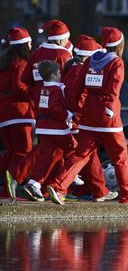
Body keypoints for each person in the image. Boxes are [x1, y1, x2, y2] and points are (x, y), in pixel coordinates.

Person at [47, 27, 128, 205]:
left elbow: (76, 88)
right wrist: (109, 109)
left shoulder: (90, 61)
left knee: (80, 155)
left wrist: (72, 109)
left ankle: (58, 187)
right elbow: (114, 89)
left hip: (89, 115)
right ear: (120, 44)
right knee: (120, 157)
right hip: (108, 118)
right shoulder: (117, 63)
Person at [58, 35, 114, 202]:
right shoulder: (78, 71)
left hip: (73, 118)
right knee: (86, 156)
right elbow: (80, 96)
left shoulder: (72, 68)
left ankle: (93, 190)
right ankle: (60, 187)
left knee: (86, 156)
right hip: (78, 120)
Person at [17, 61, 75, 201]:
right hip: (58, 129)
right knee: (75, 151)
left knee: (45, 158)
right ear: (55, 75)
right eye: (59, 73)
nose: (61, 75)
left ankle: (33, 184)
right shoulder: (58, 89)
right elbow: (55, 108)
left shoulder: (42, 89)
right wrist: (68, 115)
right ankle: (72, 176)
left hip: (43, 128)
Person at [0, 28, 34, 199]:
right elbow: (20, 87)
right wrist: (35, 92)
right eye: (29, 42)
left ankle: (6, 191)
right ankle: (8, 190)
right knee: (24, 152)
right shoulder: (21, 63)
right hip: (19, 113)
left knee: (11, 153)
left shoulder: (5, 63)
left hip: (4, 113)